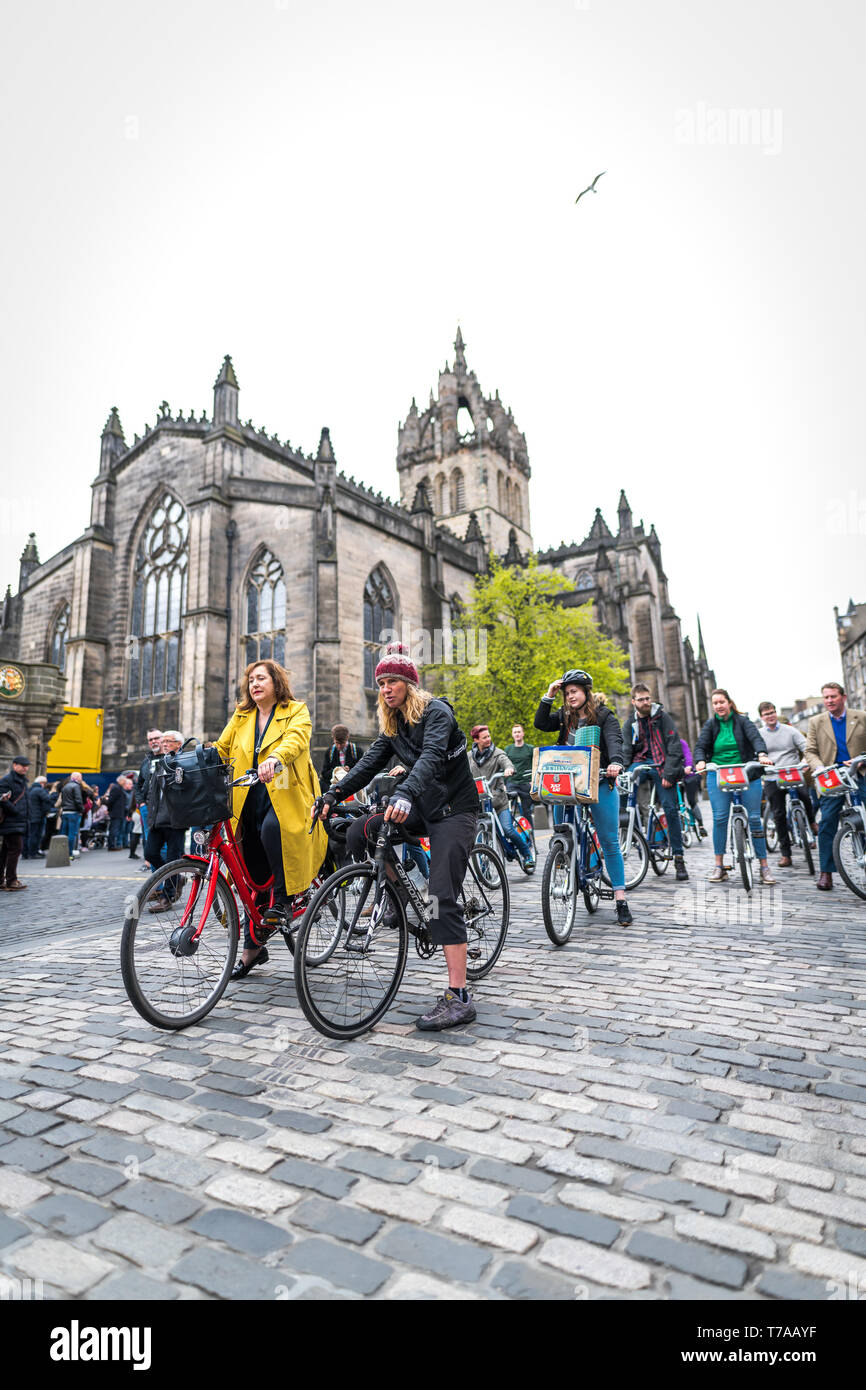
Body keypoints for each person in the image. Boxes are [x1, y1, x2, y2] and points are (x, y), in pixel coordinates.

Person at [319, 642, 480, 1031]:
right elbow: (367, 763)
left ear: (409, 683)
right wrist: (331, 795)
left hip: (455, 811)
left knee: (441, 897)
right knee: (361, 831)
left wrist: (405, 792)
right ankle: (397, 895)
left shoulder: (436, 712)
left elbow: (430, 758)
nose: (386, 688)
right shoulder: (391, 725)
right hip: (422, 808)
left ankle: (459, 996)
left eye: (393, 681)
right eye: (382, 683)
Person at [216, 660, 327, 979]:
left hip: (285, 795)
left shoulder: (296, 710)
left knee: (272, 831)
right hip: (247, 797)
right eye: (250, 679)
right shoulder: (242, 716)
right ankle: (253, 951)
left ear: (276, 682)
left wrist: (276, 758)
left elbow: (296, 740)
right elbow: (221, 749)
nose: (254, 684)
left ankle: (284, 899)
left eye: (261, 678)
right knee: (252, 875)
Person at [534, 669, 633, 926]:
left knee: (609, 839)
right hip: (568, 783)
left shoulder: (603, 715)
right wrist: (549, 695)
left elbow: (615, 741)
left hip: (599, 780)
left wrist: (616, 764)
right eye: (567, 693)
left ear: (585, 692)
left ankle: (620, 899)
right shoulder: (564, 716)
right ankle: (566, 861)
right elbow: (540, 724)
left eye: (574, 691)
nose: (570, 696)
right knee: (561, 832)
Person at [694, 689, 775, 885]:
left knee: (754, 818)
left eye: (721, 702)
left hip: (746, 772)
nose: (718, 706)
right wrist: (700, 761)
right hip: (719, 774)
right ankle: (719, 866)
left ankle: (764, 867)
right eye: (715, 703)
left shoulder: (742, 721)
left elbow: (756, 738)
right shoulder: (710, 724)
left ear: (729, 703)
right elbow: (700, 746)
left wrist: (762, 754)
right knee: (720, 818)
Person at [622, 683, 689, 882]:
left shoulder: (663, 717)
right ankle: (636, 837)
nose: (645, 702)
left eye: (647, 698)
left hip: (662, 765)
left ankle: (678, 858)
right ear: (633, 701)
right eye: (641, 699)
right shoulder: (630, 723)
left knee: (670, 808)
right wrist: (623, 772)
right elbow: (626, 750)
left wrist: (669, 774)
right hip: (640, 764)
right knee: (625, 795)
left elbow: (674, 747)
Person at [804, 681, 866, 891]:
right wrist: (819, 767)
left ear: (843, 697)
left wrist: (862, 759)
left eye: (833, 696)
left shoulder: (861, 716)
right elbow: (810, 750)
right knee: (828, 820)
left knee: (864, 817)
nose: (829, 701)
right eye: (826, 697)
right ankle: (826, 872)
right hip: (832, 776)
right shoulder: (816, 721)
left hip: (860, 772)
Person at [468, 725, 534, 868]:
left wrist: (509, 769)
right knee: (477, 833)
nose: (488, 739)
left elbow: (506, 762)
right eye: (485, 737)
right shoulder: (469, 757)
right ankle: (483, 868)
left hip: (498, 802)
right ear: (476, 740)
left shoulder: (498, 753)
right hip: (479, 802)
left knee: (508, 830)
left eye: (489, 736)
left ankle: (527, 854)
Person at [757, 701, 810, 868]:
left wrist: (805, 760)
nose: (770, 716)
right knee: (778, 814)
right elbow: (756, 753)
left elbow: (807, 747)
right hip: (773, 776)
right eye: (766, 714)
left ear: (775, 712)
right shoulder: (759, 734)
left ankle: (812, 822)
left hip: (793, 772)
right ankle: (786, 854)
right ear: (761, 717)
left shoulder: (790, 730)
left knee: (805, 796)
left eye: (772, 712)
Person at [143, 733, 187, 910]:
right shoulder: (161, 762)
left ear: (179, 744)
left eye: (169, 741)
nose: (164, 744)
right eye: (164, 741)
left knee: (172, 858)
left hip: (175, 819)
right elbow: (152, 789)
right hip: (157, 817)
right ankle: (176, 877)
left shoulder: (185, 761)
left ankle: (167, 897)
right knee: (150, 853)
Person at [0, 755, 31, 890]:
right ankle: (11, 880)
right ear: (14, 765)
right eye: (22, 765)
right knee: (16, 849)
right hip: (11, 821)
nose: (25, 768)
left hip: (18, 820)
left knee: (6, 851)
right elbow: (2, 799)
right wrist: (15, 811)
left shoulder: (22, 781)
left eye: (27, 765)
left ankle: (1, 879)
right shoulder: (7, 780)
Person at [135, 729, 163, 850]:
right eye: (150, 740)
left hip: (164, 808)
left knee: (164, 842)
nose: (154, 742)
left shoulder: (170, 758)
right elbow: (138, 784)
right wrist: (141, 803)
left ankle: (167, 868)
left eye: (156, 738)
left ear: (163, 739)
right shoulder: (146, 761)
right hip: (147, 807)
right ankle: (152, 867)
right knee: (149, 841)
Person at [504, 723, 536, 824]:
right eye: (515, 732)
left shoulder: (530, 749)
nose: (517, 734)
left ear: (523, 734)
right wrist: (504, 784)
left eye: (519, 732)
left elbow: (536, 765)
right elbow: (504, 767)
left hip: (526, 783)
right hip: (512, 783)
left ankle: (530, 837)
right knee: (509, 811)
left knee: (527, 812)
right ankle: (513, 833)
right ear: (512, 735)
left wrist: (534, 781)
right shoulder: (508, 749)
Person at [320, 724, 363, 791]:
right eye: (337, 743)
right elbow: (324, 774)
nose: (339, 746)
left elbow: (362, 771)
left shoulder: (357, 751)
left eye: (342, 743)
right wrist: (337, 770)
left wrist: (350, 770)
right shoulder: (329, 752)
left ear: (347, 738)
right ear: (333, 738)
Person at [679, 737, 707, 836]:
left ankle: (701, 825)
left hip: (689, 776)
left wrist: (688, 766)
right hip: (677, 776)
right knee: (679, 803)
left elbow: (688, 755)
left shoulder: (681, 742)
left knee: (691, 801)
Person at [25, 775, 52, 858]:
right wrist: (46, 812)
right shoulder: (40, 790)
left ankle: (26, 853)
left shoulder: (29, 789)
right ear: (42, 783)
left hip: (29, 816)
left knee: (29, 835)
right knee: (36, 835)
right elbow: (47, 800)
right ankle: (33, 852)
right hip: (38, 816)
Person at [59, 772, 86, 857]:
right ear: (77, 777)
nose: (81, 779)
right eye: (81, 777)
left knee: (64, 833)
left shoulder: (65, 786)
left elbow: (62, 800)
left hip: (65, 812)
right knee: (72, 834)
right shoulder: (76, 786)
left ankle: (62, 853)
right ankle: (69, 854)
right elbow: (78, 800)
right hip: (73, 812)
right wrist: (81, 809)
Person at [106, 776, 128, 850]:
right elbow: (111, 801)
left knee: (116, 829)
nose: (125, 783)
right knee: (114, 830)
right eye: (124, 781)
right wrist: (109, 810)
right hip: (116, 813)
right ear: (121, 781)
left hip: (118, 813)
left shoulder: (119, 788)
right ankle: (111, 845)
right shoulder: (116, 788)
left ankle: (113, 845)